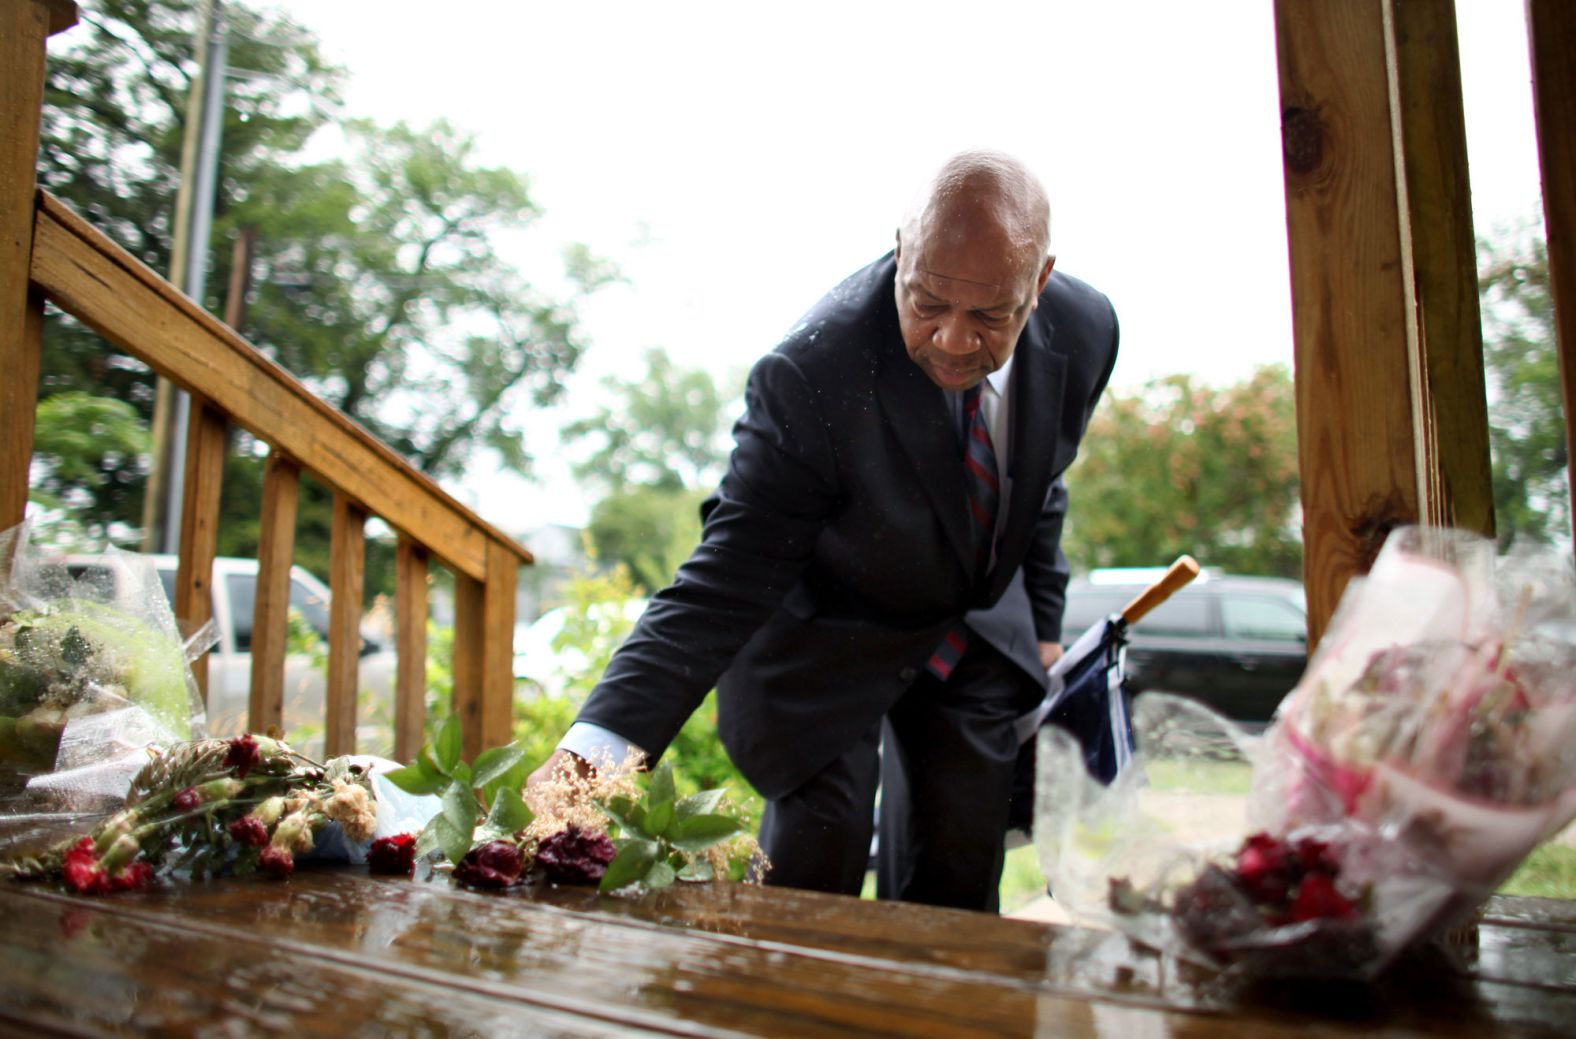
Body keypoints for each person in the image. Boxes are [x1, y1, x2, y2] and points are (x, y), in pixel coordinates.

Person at [529, 150, 1118, 912]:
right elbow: (727, 572)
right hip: (823, 633)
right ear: (902, 252)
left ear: (1039, 286)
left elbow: (1039, 478)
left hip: (969, 626)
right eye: (928, 302)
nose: (951, 339)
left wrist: (1043, 618)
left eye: (989, 315)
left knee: (959, 876)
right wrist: (599, 747)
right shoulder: (813, 372)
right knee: (814, 873)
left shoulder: (1087, 328)